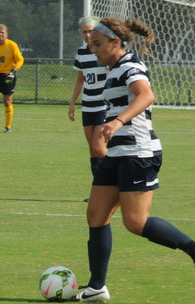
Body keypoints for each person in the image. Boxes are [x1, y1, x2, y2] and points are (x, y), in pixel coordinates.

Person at [75, 17, 195, 303]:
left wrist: (117, 122)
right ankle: (97, 287)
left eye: (98, 44)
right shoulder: (113, 70)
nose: (93, 50)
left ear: (115, 42)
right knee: (96, 215)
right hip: (117, 154)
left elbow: (146, 95)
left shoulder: (130, 66)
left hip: (138, 154)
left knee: (135, 222)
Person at [69, 17, 109, 200]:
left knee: (98, 147)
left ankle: (115, 182)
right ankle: (98, 191)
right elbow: (80, 80)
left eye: (91, 31)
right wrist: (72, 102)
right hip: (87, 105)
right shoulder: (81, 53)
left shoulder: (104, 51)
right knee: (92, 150)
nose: (87, 34)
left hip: (103, 105)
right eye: (84, 31)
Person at [0, 24, 24, 133]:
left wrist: (14, 70)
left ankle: (8, 127)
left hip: (8, 76)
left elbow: (20, 59)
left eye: (2, 32)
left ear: (6, 34)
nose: (0, 34)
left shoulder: (12, 45)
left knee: (7, 101)